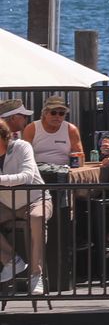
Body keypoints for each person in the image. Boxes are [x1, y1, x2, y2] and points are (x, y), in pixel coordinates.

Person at [0, 117, 51, 297]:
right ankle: (11, 260)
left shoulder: (22, 146)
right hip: (6, 204)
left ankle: (37, 275)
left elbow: (27, 176)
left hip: (36, 200)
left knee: (37, 218)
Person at [29, 98, 83, 172]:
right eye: (53, 113)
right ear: (45, 113)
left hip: (63, 172)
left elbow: (80, 155)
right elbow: (23, 155)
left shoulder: (71, 129)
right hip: (38, 172)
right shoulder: (32, 128)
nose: (57, 116)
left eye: (61, 113)